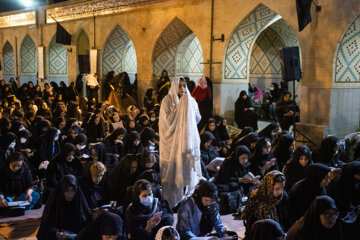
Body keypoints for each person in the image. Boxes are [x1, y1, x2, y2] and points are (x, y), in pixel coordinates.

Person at [159, 77, 202, 207]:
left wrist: (187, 106)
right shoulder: (167, 101)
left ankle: (185, 201)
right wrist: (179, 110)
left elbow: (197, 118)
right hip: (170, 145)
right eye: (180, 86)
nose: (182, 88)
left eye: (184, 86)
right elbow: (165, 122)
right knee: (171, 176)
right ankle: (170, 203)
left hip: (185, 143)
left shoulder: (190, 99)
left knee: (185, 172)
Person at [37, 175, 91, 240]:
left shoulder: (79, 202)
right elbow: (46, 227)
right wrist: (57, 233)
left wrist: (71, 236)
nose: (70, 194)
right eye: (67, 190)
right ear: (62, 190)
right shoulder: (54, 203)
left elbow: (87, 227)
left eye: (73, 190)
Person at [241, 170, 285, 237]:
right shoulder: (256, 196)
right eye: (277, 189)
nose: (280, 192)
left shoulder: (282, 197)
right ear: (269, 187)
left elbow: (283, 219)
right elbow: (250, 221)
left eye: (282, 188)